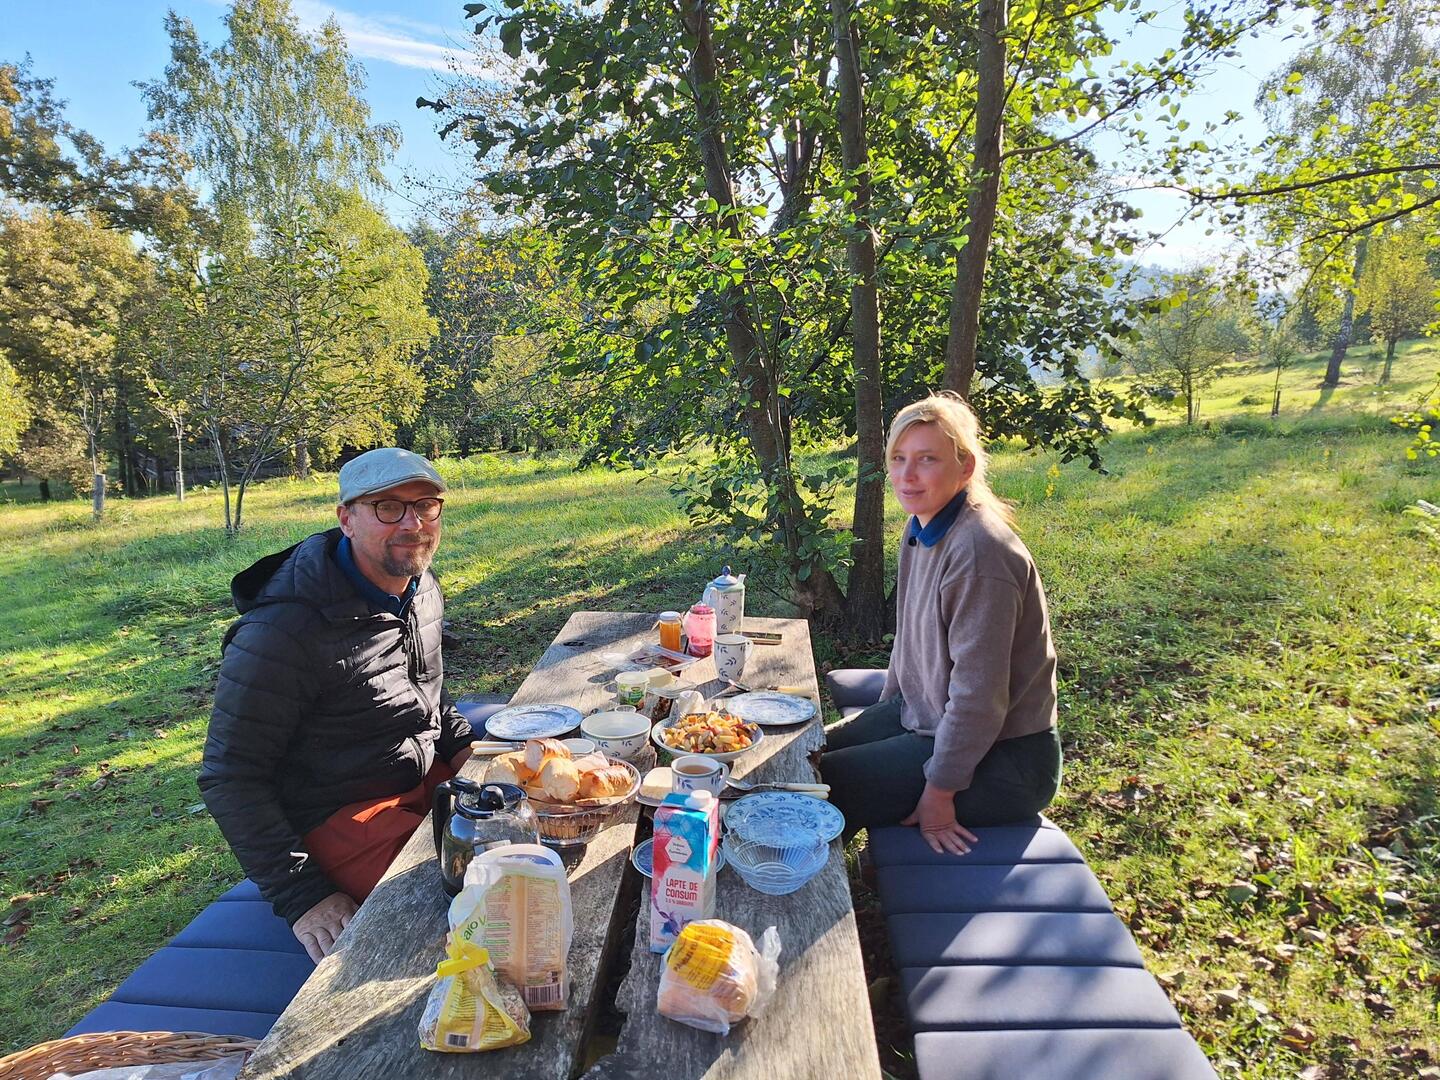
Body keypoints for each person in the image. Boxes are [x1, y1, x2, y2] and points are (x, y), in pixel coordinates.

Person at [199, 448, 474, 961]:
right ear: (346, 518)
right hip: (341, 811)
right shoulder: (283, 631)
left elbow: (427, 690)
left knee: (533, 838)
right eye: (388, 507)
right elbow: (229, 775)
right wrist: (304, 896)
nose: (412, 523)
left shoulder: (420, 586)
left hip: (422, 775)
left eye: (426, 505)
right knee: (456, 918)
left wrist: (473, 755)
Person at [820, 392, 1062, 855]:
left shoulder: (980, 554)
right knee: (807, 753)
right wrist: (888, 714)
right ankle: (844, 859)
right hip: (927, 717)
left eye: (927, 459)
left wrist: (939, 792)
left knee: (824, 783)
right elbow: (911, 640)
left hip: (1007, 759)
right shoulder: (921, 525)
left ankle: (816, 894)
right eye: (899, 458)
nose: (907, 475)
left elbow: (979, 696)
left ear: (965, 466)